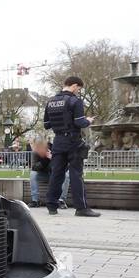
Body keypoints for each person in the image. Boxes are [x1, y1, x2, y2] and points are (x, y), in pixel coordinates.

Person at [43, 76, 101, 217]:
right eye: (79, 89)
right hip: (73, 141)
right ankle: (81, 208)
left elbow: (46, 125)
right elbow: (80, 123)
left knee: (56, 174)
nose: (78, 92)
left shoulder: (50, 102)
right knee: (76, 174)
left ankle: (51, 206)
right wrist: (88, 121)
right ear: (74, 86)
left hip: (58, 141)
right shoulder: (75, 101)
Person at [28, 139, 67, 208]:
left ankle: (61, 200)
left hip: (55, 175)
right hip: (45, 175)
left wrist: (52, 158)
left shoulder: (56, 151)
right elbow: (34, 167)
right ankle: (35, 200)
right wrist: (45, 160)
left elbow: (63, 166)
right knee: (33, 174)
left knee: (66, 175)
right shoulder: (35, 153)